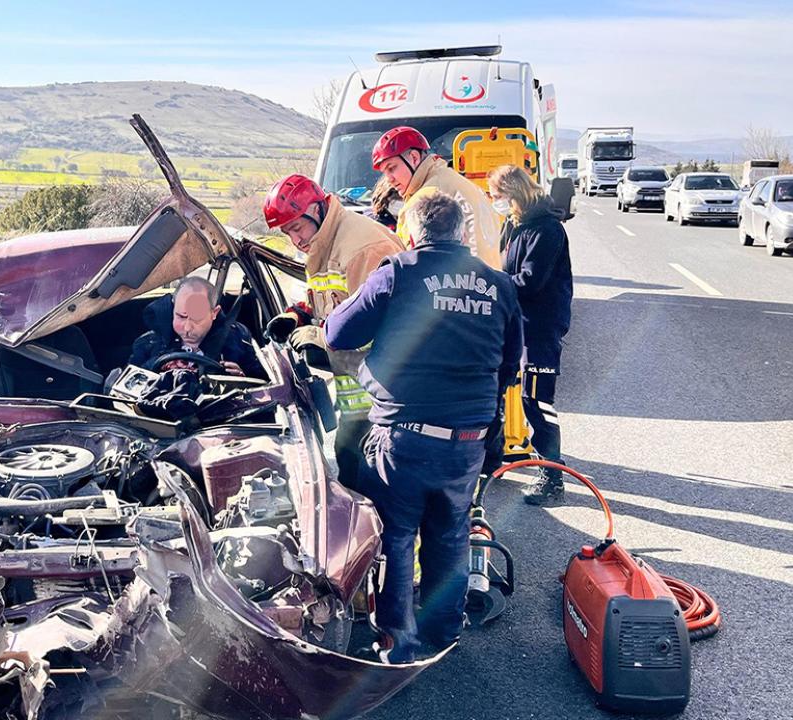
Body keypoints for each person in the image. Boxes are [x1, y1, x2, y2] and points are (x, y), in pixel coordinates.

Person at [324, 191, 522, 663]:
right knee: (450, 534)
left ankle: (399, 642)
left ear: (411, 234)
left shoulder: (399, 272)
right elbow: (510, 362)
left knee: (395, 535)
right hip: (468, 439)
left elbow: (337, 333)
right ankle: (444, 631)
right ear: (462, 234)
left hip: (404, 436)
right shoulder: (499, 285)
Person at [262, 174, 403, 489]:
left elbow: (381, 329)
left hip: (386, 399)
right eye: (287, 233)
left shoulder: (362, 249)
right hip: (361, 397)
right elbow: (328, 301)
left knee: (370, 485)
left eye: (297, 228)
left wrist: (321, 340)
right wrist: (296, 316)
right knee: (350, 469)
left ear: (316, 209)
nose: (296, 241)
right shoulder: (325, 244)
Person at [485, 164, 573, 506]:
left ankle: (552, 478)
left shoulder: (547, 229)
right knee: (496, 390)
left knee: (537, 402)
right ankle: (490, 462)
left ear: (514, 193)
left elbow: (530, 281)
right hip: (514, 324)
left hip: (540, 328)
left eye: (498, 196)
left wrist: (491, 284)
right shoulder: (514, 225)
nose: (495, 202)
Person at [370, 126, 502, 269]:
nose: (389, 179)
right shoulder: (455, 181)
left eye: (391, 168)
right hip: (488, 277)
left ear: (414, 157)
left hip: (458, 281)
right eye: (385, 173)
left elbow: (410, 265)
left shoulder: (424, 201)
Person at [128, 276, 264, 378]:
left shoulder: (238, 340)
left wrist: (242, 379)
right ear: (173, 308)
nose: (187, 328)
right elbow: (127, 384)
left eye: (196, 319)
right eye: (181, 316)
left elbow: (263, 385)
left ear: (214, 313)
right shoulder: (149, 343)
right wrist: (157, 367)